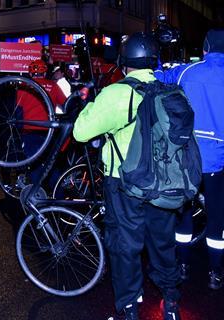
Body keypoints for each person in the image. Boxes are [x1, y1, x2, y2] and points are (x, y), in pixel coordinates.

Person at [73, 33, 181, 320]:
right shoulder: (170, 90)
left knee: (125, 246)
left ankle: (130, 308)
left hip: (124, 184)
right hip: (163, 182)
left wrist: (90, 104)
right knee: (162, 243)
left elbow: (81, 132)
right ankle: (170, 303)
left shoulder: (116, 93)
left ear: (123, 62)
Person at [154, 28, 224, 290]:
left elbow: (159, 77)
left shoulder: (188, 72)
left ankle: (182, 266)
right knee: (218, 217)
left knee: (183, 215)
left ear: (205, 48)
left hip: (188, 158)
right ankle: (215, 273)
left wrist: (159, 61)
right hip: (218, 161)